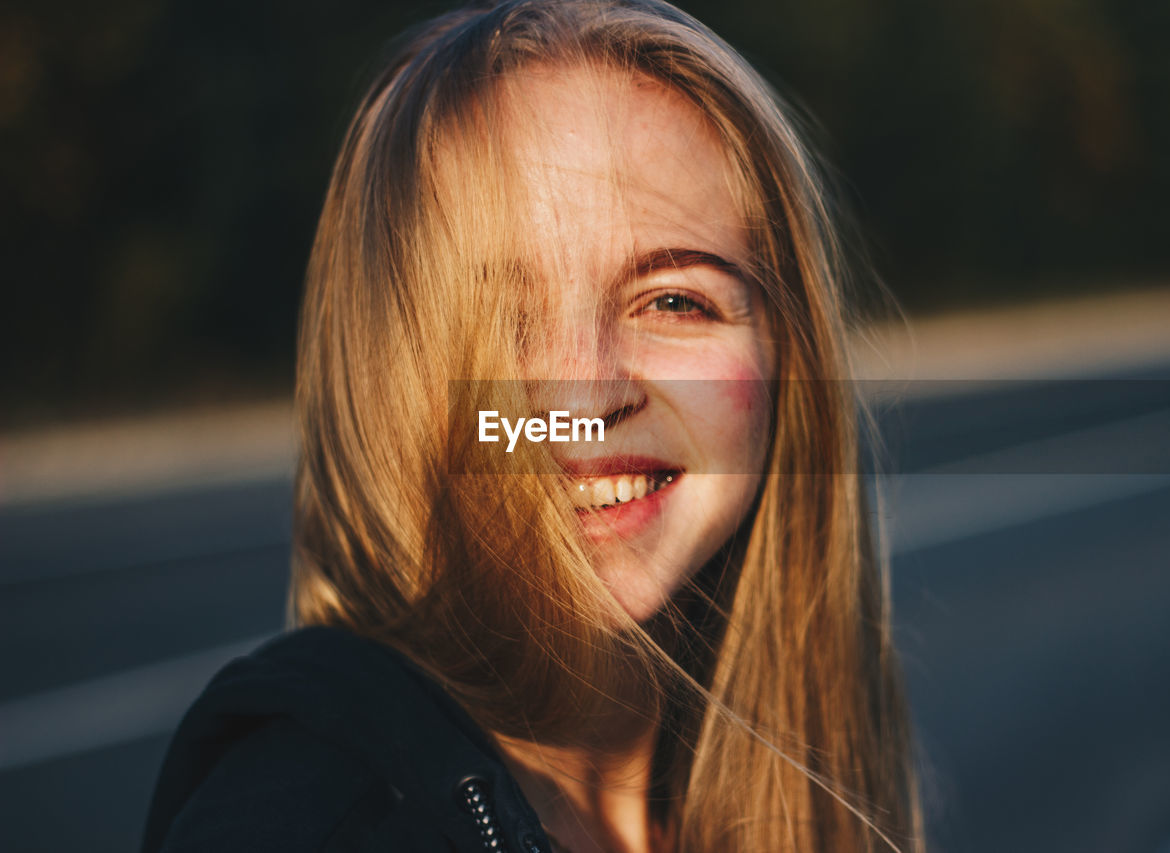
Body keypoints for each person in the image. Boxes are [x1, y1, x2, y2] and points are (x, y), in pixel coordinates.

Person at [142, 1, 921, 851]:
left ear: (786, 357)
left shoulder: (785, 802)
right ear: (382, 378)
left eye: (673, 300)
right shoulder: (298, 825)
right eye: (495, 317)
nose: (586, 397)